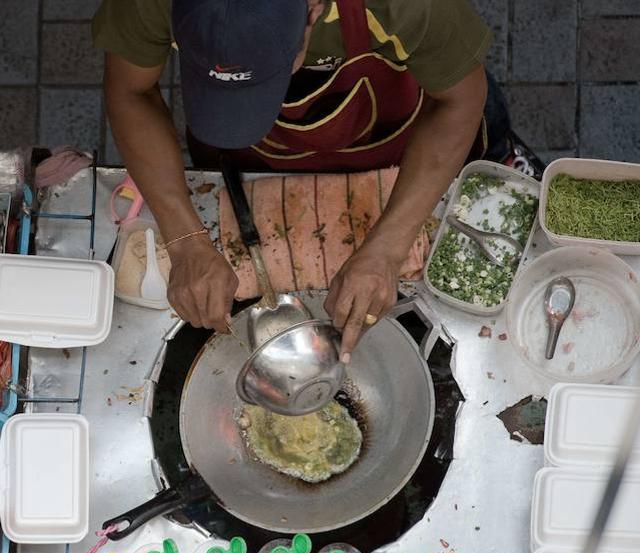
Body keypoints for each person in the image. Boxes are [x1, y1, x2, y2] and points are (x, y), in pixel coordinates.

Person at [97, 0, 526, 359]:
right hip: (256, 155)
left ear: (313, 10)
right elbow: (131, 91)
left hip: (394, 134)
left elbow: (460, 99)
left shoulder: (405, 6)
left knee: (498, 166)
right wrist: (185, 240)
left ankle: (510, 158)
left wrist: (387, 251)